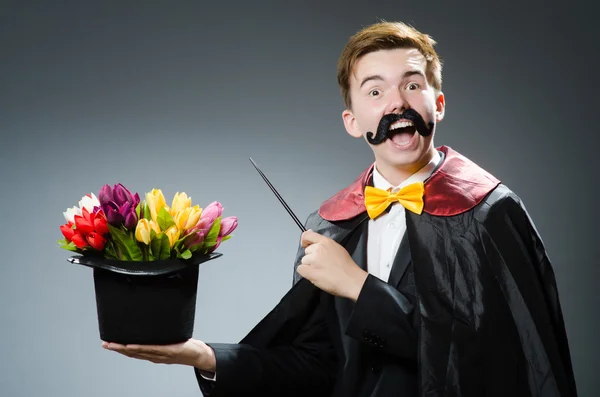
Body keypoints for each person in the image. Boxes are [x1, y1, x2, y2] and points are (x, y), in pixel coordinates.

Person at [102, 21, 578, 397]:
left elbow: (501, 365)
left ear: (439, 103)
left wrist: (357, 286)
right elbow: (317, 366)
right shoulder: (331, 225)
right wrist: (203, 356)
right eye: (375, 92)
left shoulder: (489, 213)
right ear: (353, 121)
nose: (396, 103)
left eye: (412, 86)